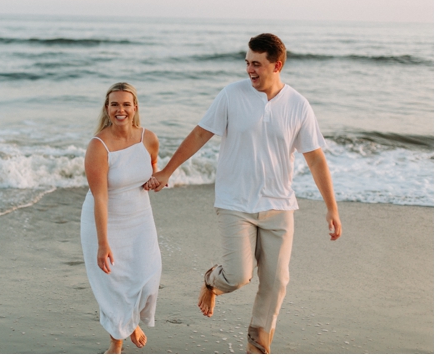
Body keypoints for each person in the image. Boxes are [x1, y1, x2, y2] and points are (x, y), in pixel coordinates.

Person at [146, 33, 342, 354]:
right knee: (238, 276)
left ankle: (257, 347)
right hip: (234, 203)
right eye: (247, 62)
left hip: (279, 206)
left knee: (276, 283)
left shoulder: (298, 105)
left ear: (276, 65)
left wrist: (331, 208)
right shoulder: (231, 95)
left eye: (257, 64)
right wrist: (167, 171)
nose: (249, 69)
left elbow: (315, 157)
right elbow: (199, 134)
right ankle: (212, 280)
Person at [80, 82, 162, 354]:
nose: (120, 109)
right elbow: (100, 198)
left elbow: (151, 172)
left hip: (139, 217)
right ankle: (116, 342)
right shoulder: (98, 146)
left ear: (135, 108)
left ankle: (131, 321)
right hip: (106, 220)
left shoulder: (148, 138)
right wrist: (103, 243)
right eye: (114, 104)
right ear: (107, 108)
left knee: (148, 277)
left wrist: (155, 181)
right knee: (114, 284)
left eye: (126, 104)